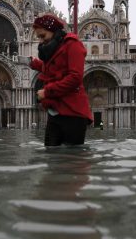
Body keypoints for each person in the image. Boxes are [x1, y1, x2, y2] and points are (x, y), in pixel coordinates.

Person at [28, 14, 93, 146]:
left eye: (43, 36)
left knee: (72, 159)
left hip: (73, 113)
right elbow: (56, 68)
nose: (41, 41)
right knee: (51, 155)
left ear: (53, 31)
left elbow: (75, 77)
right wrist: (35, 64)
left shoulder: (73, 45)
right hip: (56, 110)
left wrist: (47, 92)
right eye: (38, 37)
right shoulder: (54, 48)